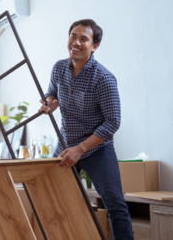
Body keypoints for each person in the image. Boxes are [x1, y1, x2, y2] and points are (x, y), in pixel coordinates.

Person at [39, 19, 134, 240]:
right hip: (65, 144)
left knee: (115, 206)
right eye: (73, 36)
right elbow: (51, 93)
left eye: (84, 39)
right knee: (48, 196)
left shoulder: (103, 78)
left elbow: (113, 122)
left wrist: (80, 149)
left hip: (96, 149)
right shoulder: (59, 67)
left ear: (95, 46)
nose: (76, 42)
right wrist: (50, 103)